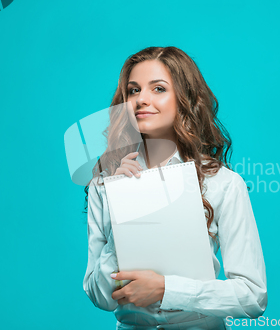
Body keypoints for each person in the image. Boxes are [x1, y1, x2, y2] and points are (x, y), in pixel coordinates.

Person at [83, 46, 267, 330]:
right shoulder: (104, 185)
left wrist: (166, 290)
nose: (142, 99)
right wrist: (125, 213)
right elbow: (100, 297)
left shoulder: (223, 183)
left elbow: (252, 296)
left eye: (158, 88)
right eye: (133, 91)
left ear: (185, 99)